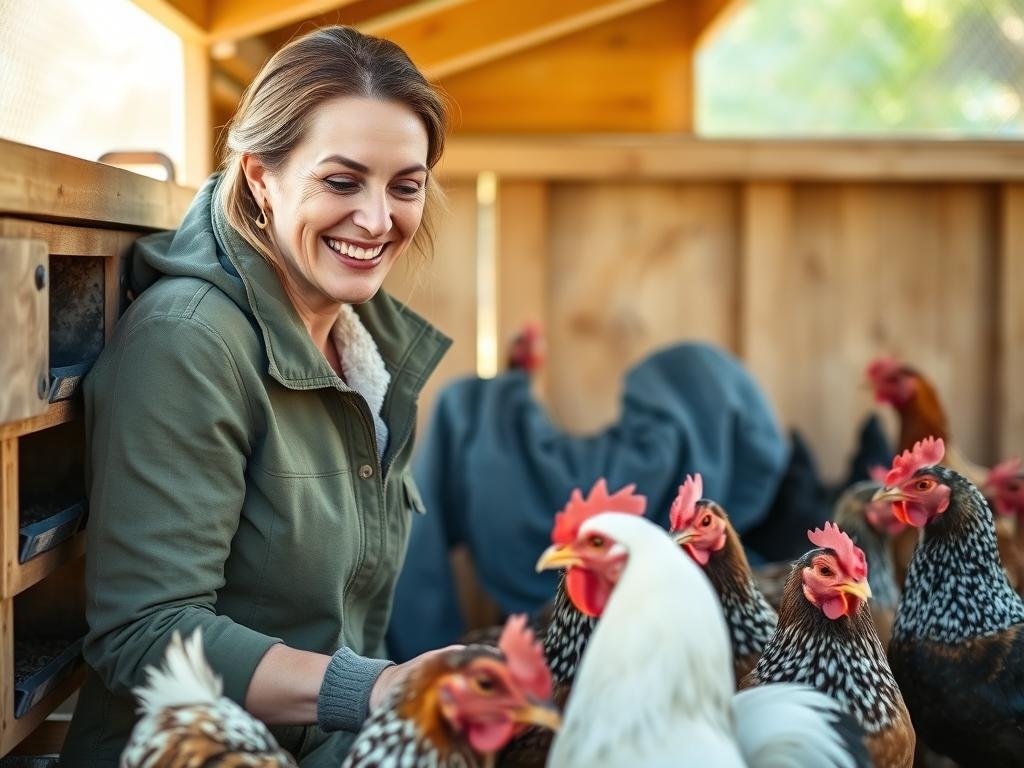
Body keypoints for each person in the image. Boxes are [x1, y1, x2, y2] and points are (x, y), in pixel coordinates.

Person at [61, 26, 453, 766]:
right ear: (259, 178)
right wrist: (379, 690)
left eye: (406, 185)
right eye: (341, 182)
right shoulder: (188, 344)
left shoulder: (366, 345)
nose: (377, 220)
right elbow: (145, 633)